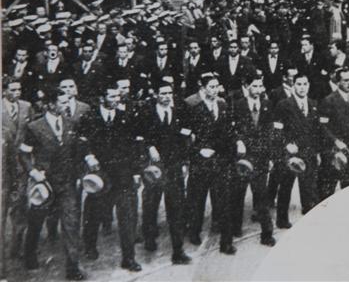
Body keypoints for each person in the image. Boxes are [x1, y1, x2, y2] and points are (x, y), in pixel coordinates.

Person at [19, 90, 86, 280]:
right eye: (63, 102)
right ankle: (30, 254)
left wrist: (80, 172)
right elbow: (23, 153)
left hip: (67, 183)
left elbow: (76, 151)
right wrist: (33, 172)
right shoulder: (34, 127)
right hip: (45, 183)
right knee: (36, 220)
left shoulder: (71, 123)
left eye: (68, 101)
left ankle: (73, 268)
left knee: (71, 223)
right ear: (50, 105)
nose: (67, 105)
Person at [76, 85, 141, 272]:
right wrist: (88, 156)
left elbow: (135, 147)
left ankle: (129, 258)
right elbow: (82, 142)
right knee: (93, 213)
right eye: (112, 95)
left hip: (124, 176)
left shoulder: (126, 118)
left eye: (118, 96)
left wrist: (136, 172)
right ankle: (90, 246)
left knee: (127, 217)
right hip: (100, 176)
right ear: (102, 98)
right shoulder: (90, 118)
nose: (116, 99)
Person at [185, 73, 241, 255]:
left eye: (217, 86)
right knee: (197, 200)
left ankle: (227, 242)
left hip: (220, 160)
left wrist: (235, 147)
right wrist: (197, 151)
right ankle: (194, 232)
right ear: (202, 87)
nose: (215, 90)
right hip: (200, 161)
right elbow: (184, 135)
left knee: (223, 201)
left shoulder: (223, 104)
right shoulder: (190, 104)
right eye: (211, 87)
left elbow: (229, 131)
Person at [137, 80, 192, 264]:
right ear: (156, 95)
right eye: (163, 93)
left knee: (176, 208)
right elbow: (140, 137)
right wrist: (149, 146)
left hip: (174, 167)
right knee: (151, 204)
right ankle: (149, 237)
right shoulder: (147, 113)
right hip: (155, 168)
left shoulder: (178, 113)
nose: (167, 96)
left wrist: (184, 162)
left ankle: (178, 251)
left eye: (169, 93)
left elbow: (184, 139)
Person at [230, 72, 276, 246]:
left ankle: (267, 234)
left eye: (260, 86)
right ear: (246, 87)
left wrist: (270, 156)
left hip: (261, 157)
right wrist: (239, 142)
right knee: (238, 193)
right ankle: (235, 227)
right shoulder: (238, 105)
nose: (258, 90)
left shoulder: (266, 104)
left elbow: (270, 131)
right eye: (254, 86)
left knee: (261, 196)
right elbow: (232, 129)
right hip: (243, 158)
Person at [274, 74, 321, 229]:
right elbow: (276, 130)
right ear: (293, 85)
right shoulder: (284, 104)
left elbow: (317, 130)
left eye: (305, 83)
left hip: (309, 151)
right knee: (286, 186)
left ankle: (308, 216)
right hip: (291, 153)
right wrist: (286, 145)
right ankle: (281, 219)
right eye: (299, 84)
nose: (302, 87)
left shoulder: (313, 104)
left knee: (308, 186)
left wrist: (317, 151)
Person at [317, 67, 349, 199]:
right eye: (345, 80)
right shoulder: (329, 100)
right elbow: (323, 126)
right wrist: (335, 141)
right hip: (335, 151)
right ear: (338, 82)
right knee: (327, 190)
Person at [2, 78, 33, 271]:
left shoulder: (26, 106)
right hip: (3, 169)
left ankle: (17, 247)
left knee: (20, 208)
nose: (17, 92)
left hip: (21, 166)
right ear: (4, 91)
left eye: (19, 89)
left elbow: (30, 132)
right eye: (13, 89)